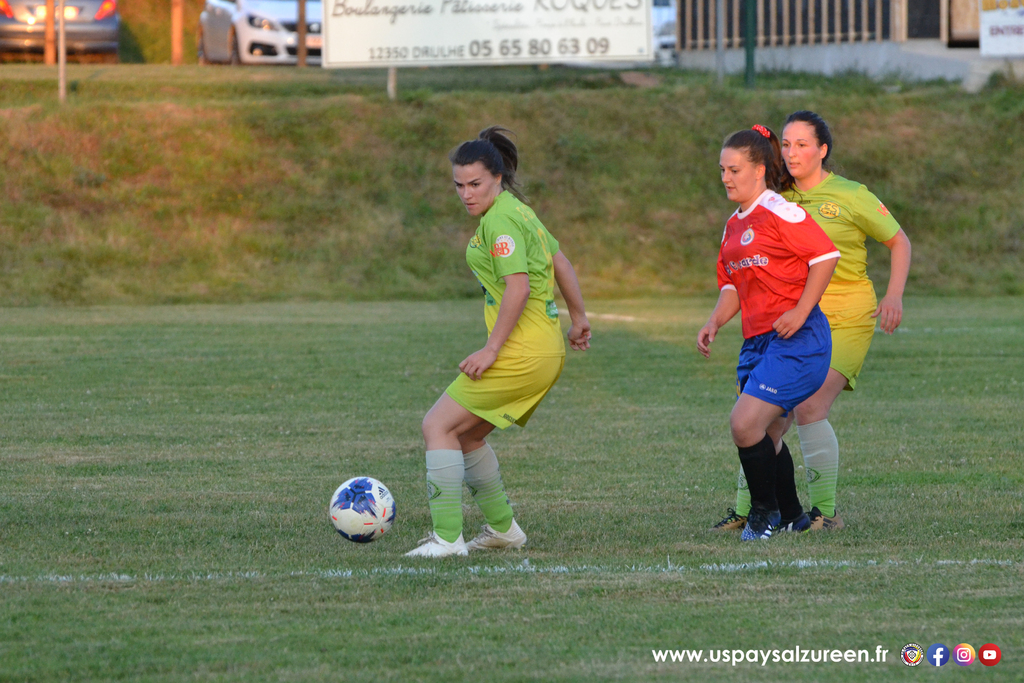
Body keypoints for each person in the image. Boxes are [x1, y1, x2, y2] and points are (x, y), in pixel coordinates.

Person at [712, 111, 912, 532]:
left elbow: (898, 241)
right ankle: (757, 510)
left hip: (844, 316)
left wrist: (893, 294)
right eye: (786, 144)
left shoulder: (850, 194)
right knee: (764, 419)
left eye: (802, 144)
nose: (792, 152)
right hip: (788, 321)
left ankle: (823, 513)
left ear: (822, 150)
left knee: (808, 406)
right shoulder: (773, 199)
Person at [407, 126, 592, 558]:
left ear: (497, 177)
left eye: (475, 184)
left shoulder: (501, 220)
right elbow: (560, 260)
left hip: (522, 353)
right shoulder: (518, 210)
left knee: (437, 426)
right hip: (544, 350)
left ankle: (447, 539)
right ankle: (504, 530)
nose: (466, 194)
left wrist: (491, 349)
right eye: (459, 185)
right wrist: (579, 318)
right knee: (467, 436)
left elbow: (518, 287)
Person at [697, 124, 840, 541]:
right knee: (769, 432)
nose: (726, 178)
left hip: (798, 339)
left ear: (759, 170)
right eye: (722, 170)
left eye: (734, 170)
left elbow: (825, 256)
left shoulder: (780, 209)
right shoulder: (732, 225)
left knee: (744, 424)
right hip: (758, 342)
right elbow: (732, 285)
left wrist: (800, 310)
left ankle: (764, 514)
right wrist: (714, 321)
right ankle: (793, 515)